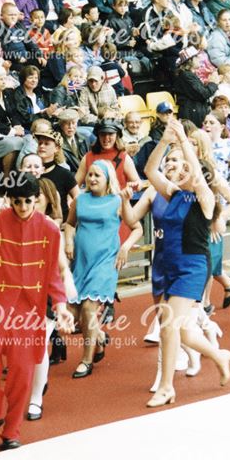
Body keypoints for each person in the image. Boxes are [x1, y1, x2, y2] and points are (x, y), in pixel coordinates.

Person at [0, 174, 74, 450]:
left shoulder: (49, 230)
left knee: (22, 372)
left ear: (37, 199)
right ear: (10, 200)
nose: (22, 207)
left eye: (28, 201)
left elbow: (52, 275)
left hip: (29, 310)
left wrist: (60, 306)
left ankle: (11, 430)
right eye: (17, 201)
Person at [130, 119, 230, 407]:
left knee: (168, 323)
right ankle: (219, 356)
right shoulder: (172, 193)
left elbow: (199, 176)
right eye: (177, 166)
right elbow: (150, 170)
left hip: (192, 267)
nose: (180, 170)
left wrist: (187, 145)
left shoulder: (204, 198)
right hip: (169, 266)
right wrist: (164, 140)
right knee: (186, 332)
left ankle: (166, 387)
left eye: (186, 168)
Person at [64, 159, 141, 378]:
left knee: (89, 309)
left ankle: (86, 360)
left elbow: (136, 227)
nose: (92, 178)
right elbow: (70, 224)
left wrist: (125, 247)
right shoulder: (80, 200)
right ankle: (98, 338)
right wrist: (69, 240)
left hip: (106, 262)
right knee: (74, 313)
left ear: (108, 179)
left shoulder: (117, 200)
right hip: (81, 261)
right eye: (90, 174)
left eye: (98, 175)